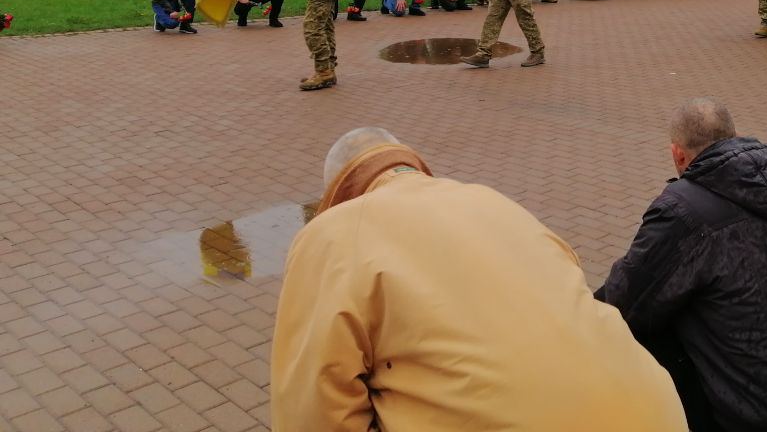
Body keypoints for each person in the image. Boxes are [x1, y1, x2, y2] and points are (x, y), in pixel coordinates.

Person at [270, 127, 687, 432]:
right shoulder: (489, 198)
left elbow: (311, 410)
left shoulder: (331, 234)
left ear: (337, 194)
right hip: (656, 411)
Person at [597, 99, 767, 432]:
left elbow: (623, 300)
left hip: (747, 413)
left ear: (678, 154)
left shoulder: (683, 211)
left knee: (642, 323)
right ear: (735, 136)